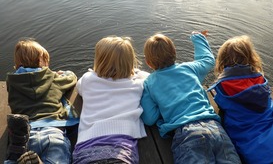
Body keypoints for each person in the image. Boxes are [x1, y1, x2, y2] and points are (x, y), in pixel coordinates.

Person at [141, 31, 241, 164]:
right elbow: (207, 60)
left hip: (187, 134)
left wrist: (164, 106)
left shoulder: (150, 83)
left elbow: (149, 118)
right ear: (174, 53)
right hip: (215, 128)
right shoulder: (189, 68)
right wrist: (197, 37)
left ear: (148, 63)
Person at [72, 36, 149, 164]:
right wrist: (135, 72)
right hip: (121, 146)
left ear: (99, 60)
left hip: (87, 145)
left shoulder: (87, 79)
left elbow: (79, 89)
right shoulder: (137, 84)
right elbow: (151, 78)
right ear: (130, 61)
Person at [5, 39, 79, 164]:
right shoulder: (52, 78)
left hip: (26, 135)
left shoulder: (11, 81)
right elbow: (71, 78)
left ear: (17, 64)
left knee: (16, 159)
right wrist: (64, 73)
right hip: (53, 132)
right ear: (42, 61)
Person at [207, 35, 273, 164]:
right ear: (251, 57)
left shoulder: (221, 86)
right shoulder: (261, 80)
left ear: (222, 60)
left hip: (249, 140)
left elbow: (223, 104)